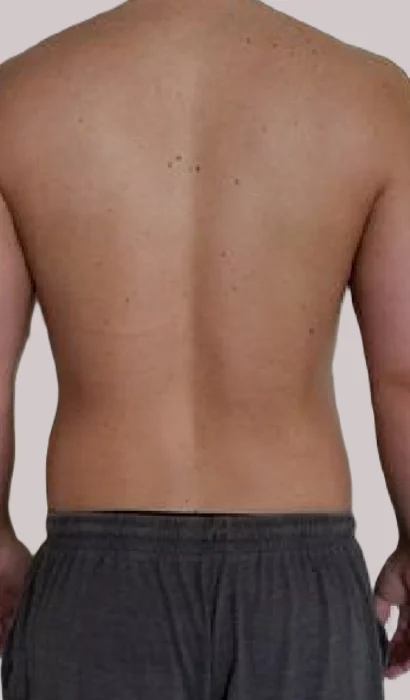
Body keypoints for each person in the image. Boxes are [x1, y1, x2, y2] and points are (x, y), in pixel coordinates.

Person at [0, 0, 408, 697]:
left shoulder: (20, 97)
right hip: (298, 597)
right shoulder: (372, 97)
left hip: (94, 594)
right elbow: (404, 375)